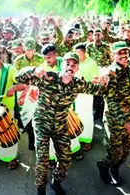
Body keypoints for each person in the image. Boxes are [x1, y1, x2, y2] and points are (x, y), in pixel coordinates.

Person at [16, 52, 107, 195]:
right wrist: (33, 70)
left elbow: (100, 90)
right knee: (42, 160)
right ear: (62, 65)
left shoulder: (78, 84)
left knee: (65, 159)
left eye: (74, 64)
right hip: (42, 124)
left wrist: (104, 78)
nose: (70, 66)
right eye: (67, 63)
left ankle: (56, 182)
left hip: (60, 125)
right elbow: (18, 78)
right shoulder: (49, 78)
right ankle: (41, 190)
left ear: (77, 68)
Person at [97, 41, 130, 186]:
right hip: (114, 120)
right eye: (119, 52)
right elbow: (111, 101)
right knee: (115, 153)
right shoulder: (112, 73)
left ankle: (115, 169)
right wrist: (125, 123)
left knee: (127, 150)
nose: (123, 55)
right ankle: (103, 167)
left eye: (125, 52)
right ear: (113, 54)